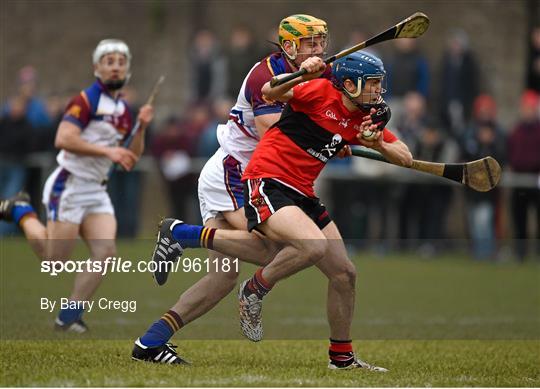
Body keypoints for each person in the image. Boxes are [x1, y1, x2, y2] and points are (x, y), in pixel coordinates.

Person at [141, 52, 410, 370]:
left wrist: (377, 142)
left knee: (344, 273)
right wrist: (302, 74)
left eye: (380, 84)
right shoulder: (321, 90)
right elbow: (270, 92)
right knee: (306, 246)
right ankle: (253, 290)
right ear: (349, 84)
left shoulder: (367, 118)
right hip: (268, 180)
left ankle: (341, 358)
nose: (378, 91)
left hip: (302, 192)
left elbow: (405, 157)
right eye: (373, 84)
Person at [0, 39, 154, 332]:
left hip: (96, 190)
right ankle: (21, 210)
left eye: (120, 62)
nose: (115, 67)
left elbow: (131, 156)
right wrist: (109, 152)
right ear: (97, 68)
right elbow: (64, 139)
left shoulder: (123, 109)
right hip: (69, 184)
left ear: (127, 69)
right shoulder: (86, 100)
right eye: (109, 62)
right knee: (53, 259)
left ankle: (69, 316)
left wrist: (142, 127)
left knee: (106, 253)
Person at [507, 90, 540, 261]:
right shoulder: (516, 131)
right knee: (519, 218)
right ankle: (521, 253)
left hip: (536, 181)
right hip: (519, 180)